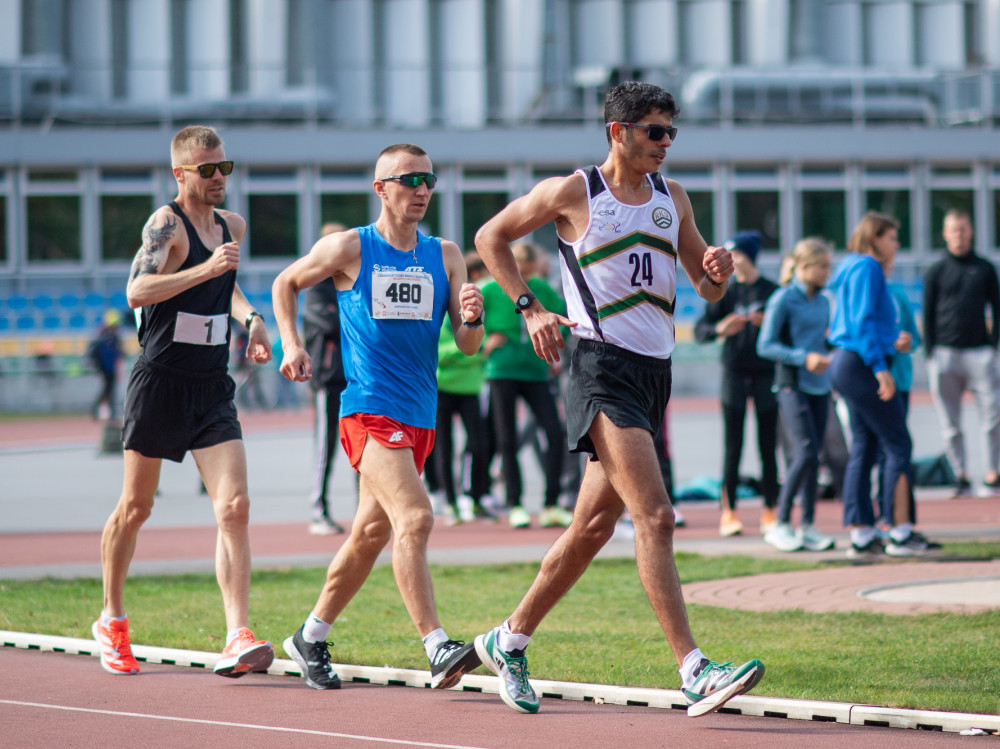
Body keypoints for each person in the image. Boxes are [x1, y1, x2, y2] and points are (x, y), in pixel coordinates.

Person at [473, 80, 764, 716]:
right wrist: (529, 307)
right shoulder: (574, 192)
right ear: (618, 131)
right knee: (655, 515)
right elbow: (489, 236)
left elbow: (704, 289)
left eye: (671, 133)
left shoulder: (672, 197)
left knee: (593, 526)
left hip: (652, 371)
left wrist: (716, 273)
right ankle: (694, 669)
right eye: (655, 132)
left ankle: (508, 639)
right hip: (597, 365)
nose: (665, 144)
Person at [272, 143, 485, 692]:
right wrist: (291, 343)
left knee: (369, 533)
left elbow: (466, 347)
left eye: (429, 180)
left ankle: (310, 636)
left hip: (420, 414)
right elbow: (284, 283)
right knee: (415, 518)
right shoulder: (350, 247)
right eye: (409, 179)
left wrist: (472, 318)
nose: (421, 190)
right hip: (366, 408)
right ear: (380, 188)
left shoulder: (446, 255)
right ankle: (438, 647)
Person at [93, 125, 275, 678]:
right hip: (160, 382)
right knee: (136, 508)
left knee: (235, 507)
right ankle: (112, 618)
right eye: (208, 169)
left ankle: (237, 633)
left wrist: (253, 320)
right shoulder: (164, 223)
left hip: (211, 383)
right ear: (180, 173)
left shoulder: (231, 225)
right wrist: (205, 267)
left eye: (225, 167)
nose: (220, 177)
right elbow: (137, 292)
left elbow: (228, 287)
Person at [829, 211, 940, 559]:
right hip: (859, 364)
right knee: (898, 443)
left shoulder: (849, 265)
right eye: (892, 237)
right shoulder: (867, 266)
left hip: (847, 361)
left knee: (865, 445)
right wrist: (880, 368)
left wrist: (892, 342)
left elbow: (862, 321)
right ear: (875, 238)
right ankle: (899, 531)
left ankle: (863, 534)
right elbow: (861, 323)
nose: (897, 244)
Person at [694, 231, 780, 537]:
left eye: (736, 255)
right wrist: (721, 328)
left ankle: (771, 509)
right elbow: (700, 331)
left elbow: (788, 331)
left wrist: (767, 325)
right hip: (734, 373)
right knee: (733, 446)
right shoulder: (725, 292)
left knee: (768, 445)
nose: (731, 261)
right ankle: (729, 512)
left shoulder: (773, 291)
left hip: (766, 374)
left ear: (749, 257)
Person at [481, 240, 570, 529]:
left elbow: (562, 320)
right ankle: (516, 504)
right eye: (523, 272)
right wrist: (485, 343)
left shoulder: (541, 290)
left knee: (555, 433)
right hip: (502, 370)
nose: (527, 280)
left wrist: (556, 353)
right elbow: (467, 322)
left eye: (532, 273)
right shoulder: (491, 289)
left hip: (535, 371)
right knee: (506, 438)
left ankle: (551, 504)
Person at [757, 238, 835, 552]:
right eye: (823, 266)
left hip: (821, 386)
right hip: (792, 384)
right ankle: (781, 523)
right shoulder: (783, 299)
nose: (828, 272)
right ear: (803, 267)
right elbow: (766, 345)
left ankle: (809, 527)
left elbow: (825, 341)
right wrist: (804, 358)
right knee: (804, 452)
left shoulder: (825, 301)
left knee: (815, 457)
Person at [923, 209, 1000, 497]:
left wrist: (993, 345)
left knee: (992, 417)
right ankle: (960, 474)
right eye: (953, 229)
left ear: (971, 231)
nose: (959, 234)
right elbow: (927, 312)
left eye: (963, 229)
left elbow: (997, 305)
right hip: (945, 354)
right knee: (949, 422)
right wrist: (931, 352)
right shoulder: (936, 270)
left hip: (979, 353)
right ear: (945, 233)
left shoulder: (984, 268)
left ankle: (992, 473)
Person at [431, 250, 494, 524]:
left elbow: (481, 343)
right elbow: (439, 351)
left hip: (470, 389)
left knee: (479, 445)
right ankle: (451, 503)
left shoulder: (472, 310)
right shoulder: (439, 312)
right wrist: (465, 352)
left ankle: (475, 498)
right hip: (443, 387)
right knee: (443, 448)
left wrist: (470, 350)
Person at [302, 221, 350, 536]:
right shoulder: (317, 285)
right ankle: (319, 509)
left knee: (366, 446)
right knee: (326, 446)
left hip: (358, 376)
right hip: (329, 377)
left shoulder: (351, 281)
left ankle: (366, 511)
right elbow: (331, 323)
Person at [88, 309, 124, 420]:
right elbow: (117, 354)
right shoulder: (112, 337)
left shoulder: (102, 335)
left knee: (107, 389)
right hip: (109, 368)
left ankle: (97, 411)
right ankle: (111, 413)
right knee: (109, 389)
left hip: (104, 368)